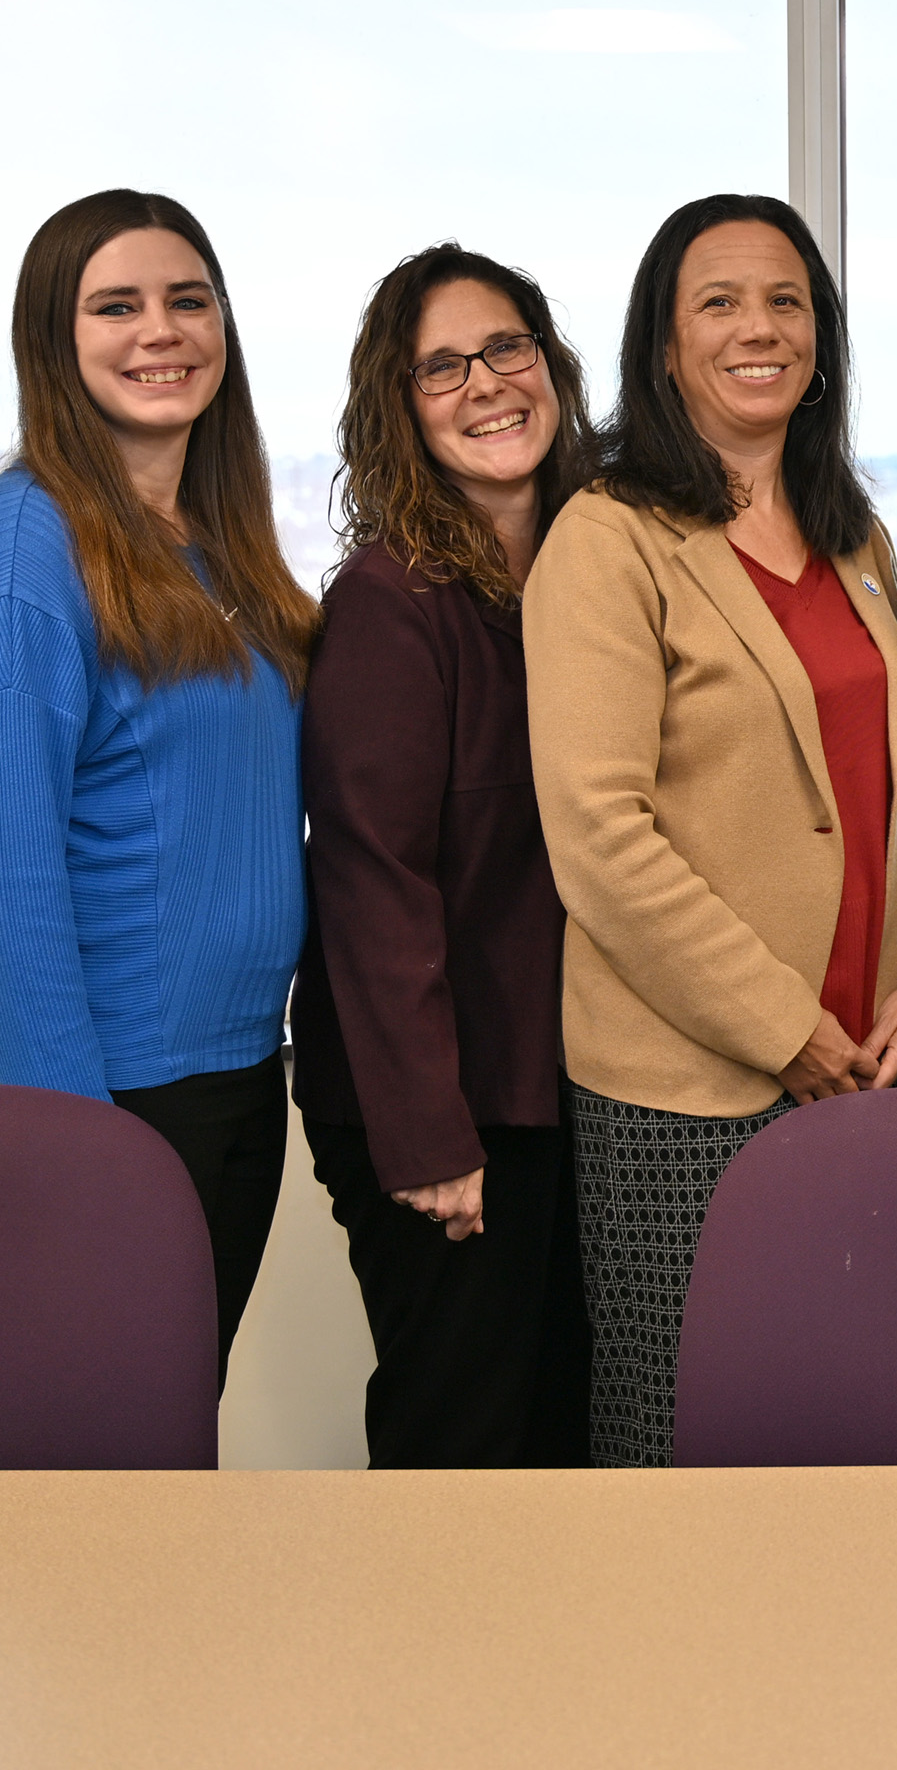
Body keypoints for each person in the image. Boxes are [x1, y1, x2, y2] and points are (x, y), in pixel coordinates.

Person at [526, 194, 897, 1468]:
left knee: (852, 1431)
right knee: (686, 1451)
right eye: (717, 302)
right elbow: (601, 838)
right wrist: (786, 1032)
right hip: (688, 1097)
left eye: (785, 301)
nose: (756, 327)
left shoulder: (856, 535)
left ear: (820, 337)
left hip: (870, 1072)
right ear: (663, 348)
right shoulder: (607, 541)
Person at [0, 188, 320, 1363]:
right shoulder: (15, 551)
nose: (162, 331)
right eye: (117, 305)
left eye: (189, 300)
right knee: (72, 1486)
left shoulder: (212, 540)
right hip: (88, 1099)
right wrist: (76, 1148)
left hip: (225, 1080)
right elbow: (0, 878)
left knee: (157, 1463)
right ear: (55, 339)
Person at [288, 244, 596, 1467]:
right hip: (444, 1103)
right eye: (441, 367)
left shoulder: (590, 571)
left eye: (507, 348)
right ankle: (420, 1664)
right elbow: (372, 882)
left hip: (560, 1083)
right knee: (458, 1444)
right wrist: (428, 1136)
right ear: (398, 409)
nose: (485, 383)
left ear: (552, 367)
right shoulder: (390, 599)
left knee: (569, 1437)